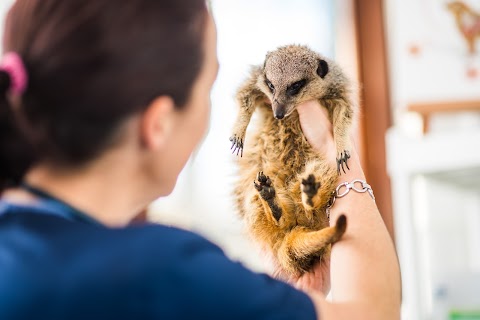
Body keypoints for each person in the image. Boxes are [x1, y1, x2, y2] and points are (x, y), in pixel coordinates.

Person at [0, 1, 401, 319]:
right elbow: (372, 313)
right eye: (210, 84)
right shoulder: (160, 270)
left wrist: (277, 304)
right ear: (157, 124)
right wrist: (336, 153)